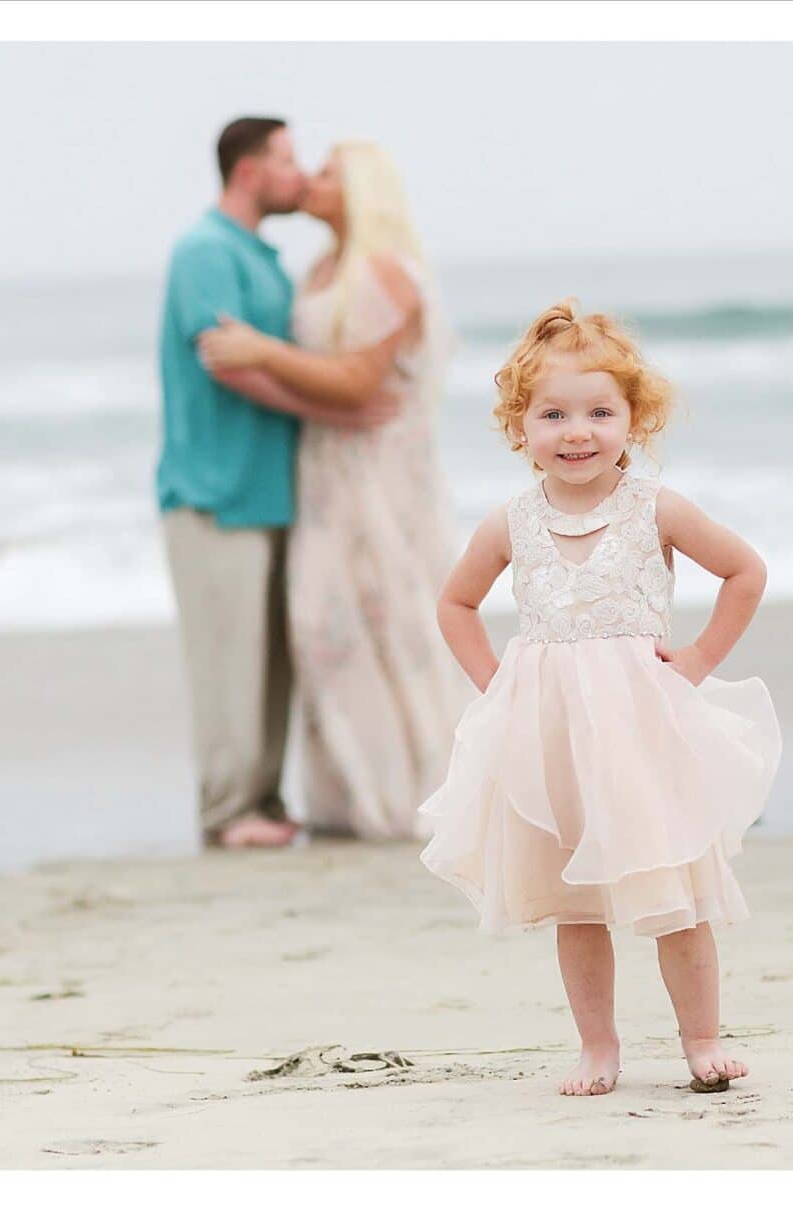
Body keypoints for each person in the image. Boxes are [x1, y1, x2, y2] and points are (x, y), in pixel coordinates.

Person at [417, 299, 783, 1097]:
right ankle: (598, 1047)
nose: (576, 431)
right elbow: (455, 605)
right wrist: (498, 684)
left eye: (599, 412)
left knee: (675, 890)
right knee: (575, 900)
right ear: (521, 427)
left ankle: (703, 1039)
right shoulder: (511, 523)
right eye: (553, 414)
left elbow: (745, 571)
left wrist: (695, 660)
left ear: (633, 419)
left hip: (643, 733)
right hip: (549, 740)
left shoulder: (656, 507)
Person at [194, 139, 469, 841]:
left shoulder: (384, 271)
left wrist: (263, 351)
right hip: (325, 473)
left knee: (388, 621)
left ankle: (413, 792)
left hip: (377, 475)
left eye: (325, 173)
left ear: (361, 192)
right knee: (326, 625)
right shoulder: (322, 268)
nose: (310, 181)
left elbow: (358, 381)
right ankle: (350, 794)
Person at [155, 115, 399, 850]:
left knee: (268, 662)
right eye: (289, 161)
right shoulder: (205, 250)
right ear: (249, 169)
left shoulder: (263, 260)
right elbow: (227, 362)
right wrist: (328, 411)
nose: (298, 176)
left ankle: (261, 801)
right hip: (212, 489)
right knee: (226, 659)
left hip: (272, 489)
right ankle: (228, 813)